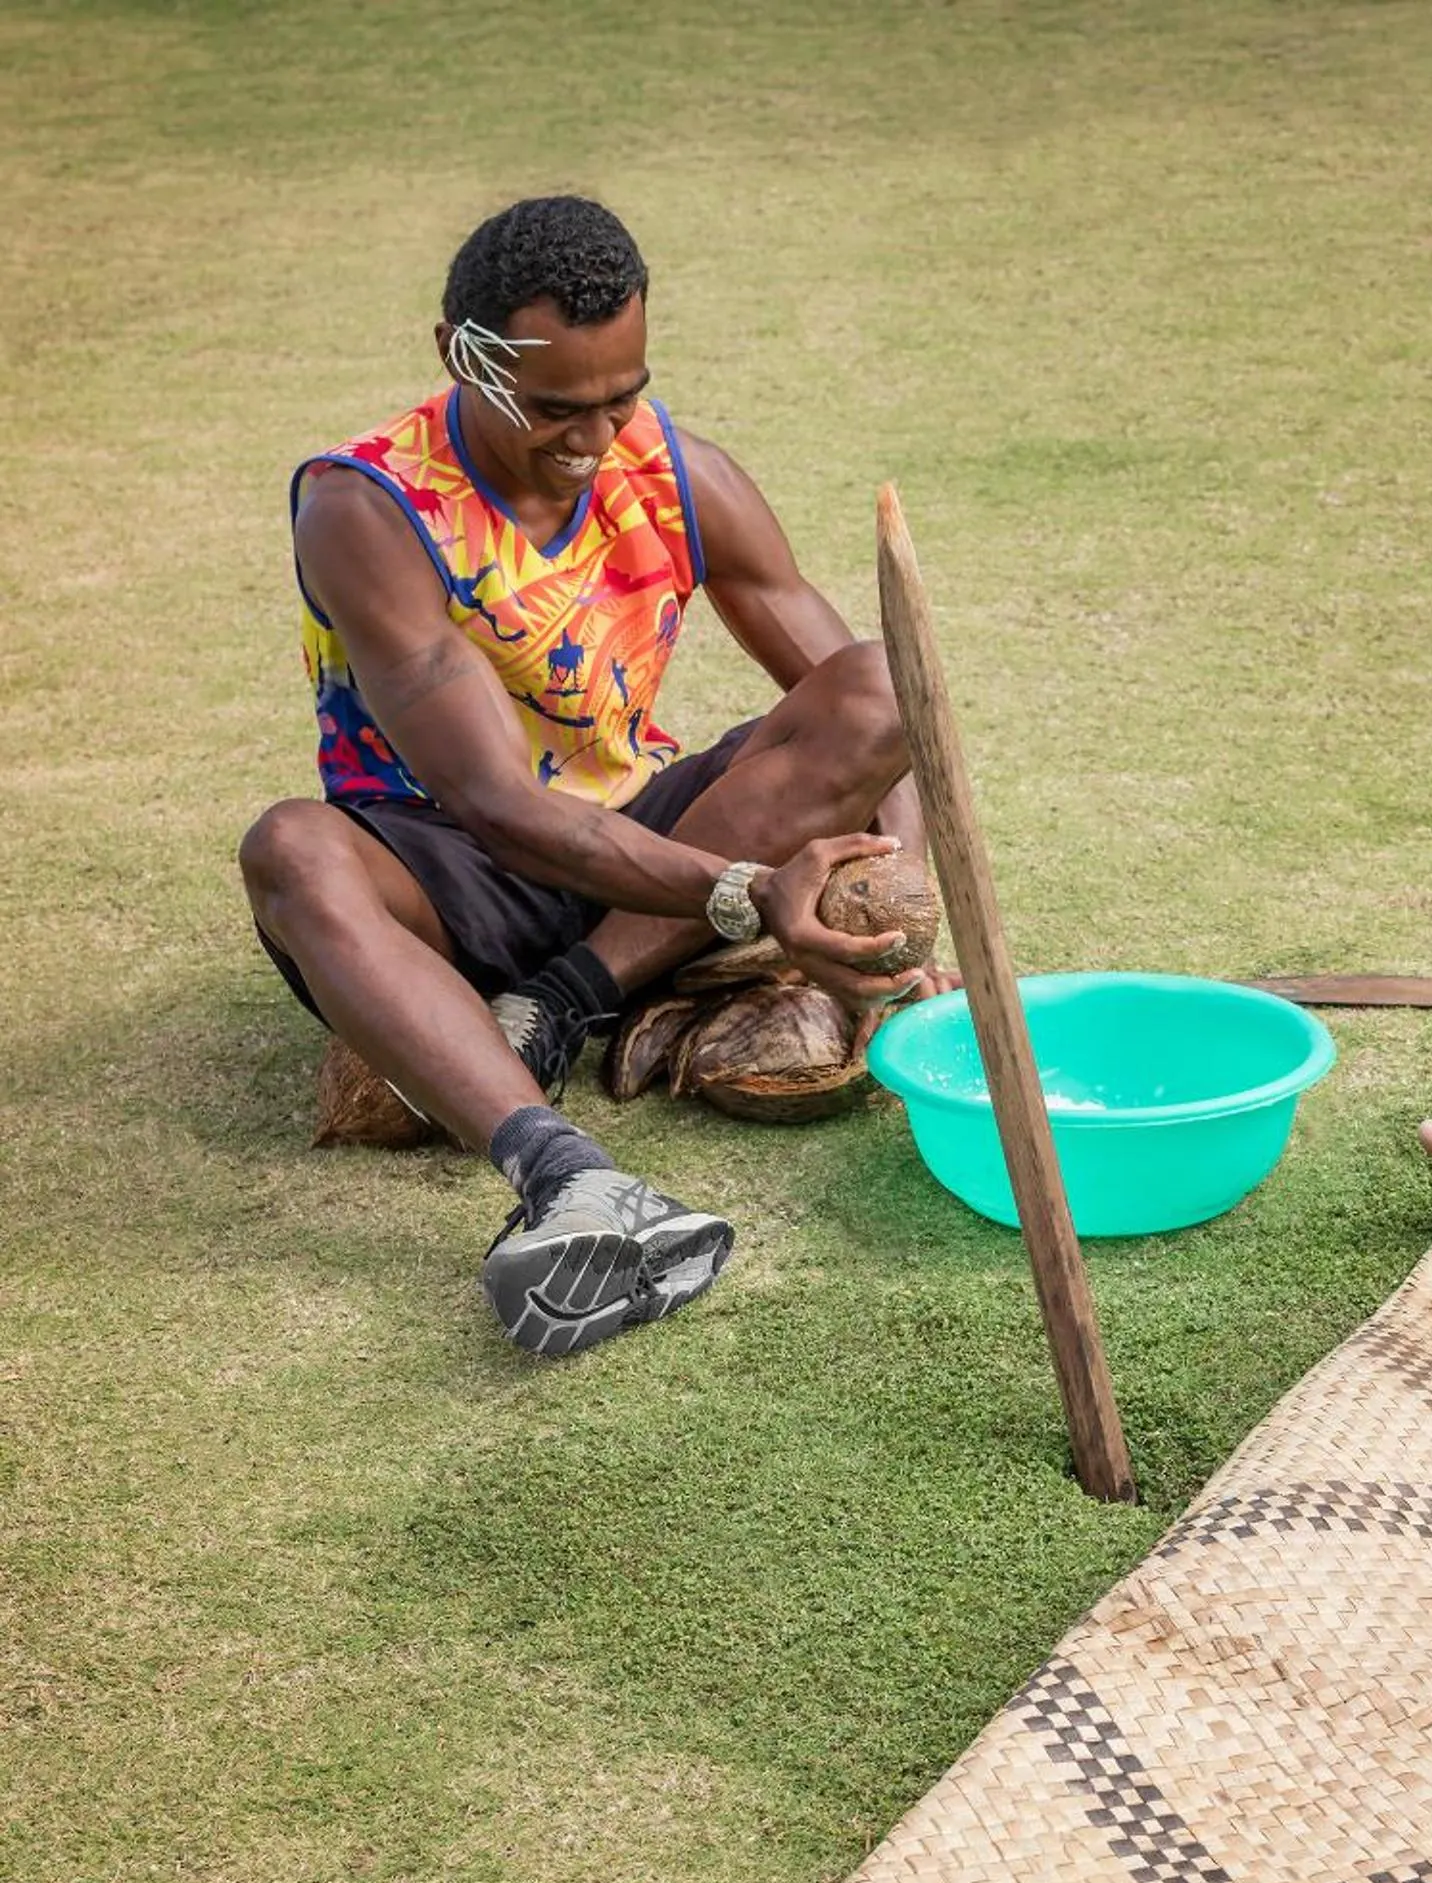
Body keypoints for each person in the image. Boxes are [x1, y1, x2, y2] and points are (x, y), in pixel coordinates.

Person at [240, 196, 949, 1357]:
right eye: (556, 407)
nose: (595, 437)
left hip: (634, 854)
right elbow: (496, 809)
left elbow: (879, 705)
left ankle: (561, 1004)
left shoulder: (676, 468)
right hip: (450, 865)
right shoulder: (364, 508)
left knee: (877, 679)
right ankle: (567, 1178)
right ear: (455, 357)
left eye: (620, 397)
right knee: (291, 850)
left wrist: (894, 887)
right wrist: (750, 896)